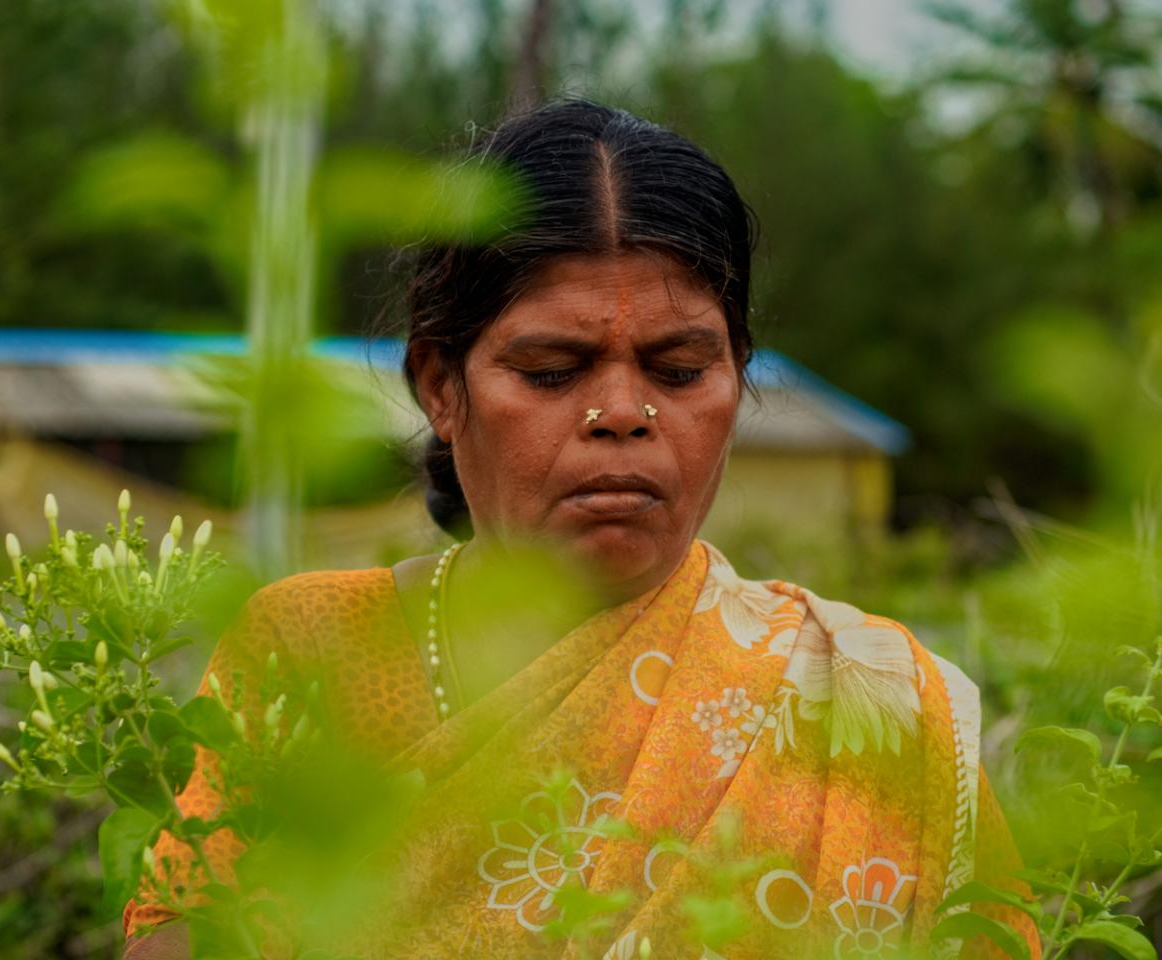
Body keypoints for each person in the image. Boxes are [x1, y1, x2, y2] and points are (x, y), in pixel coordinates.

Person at [123, 98, 1038, 960]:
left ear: (736, 380)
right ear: (443, 387)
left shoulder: (873, 704)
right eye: (555, 370)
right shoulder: (314, 653)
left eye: (678, 370)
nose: (623, 413)